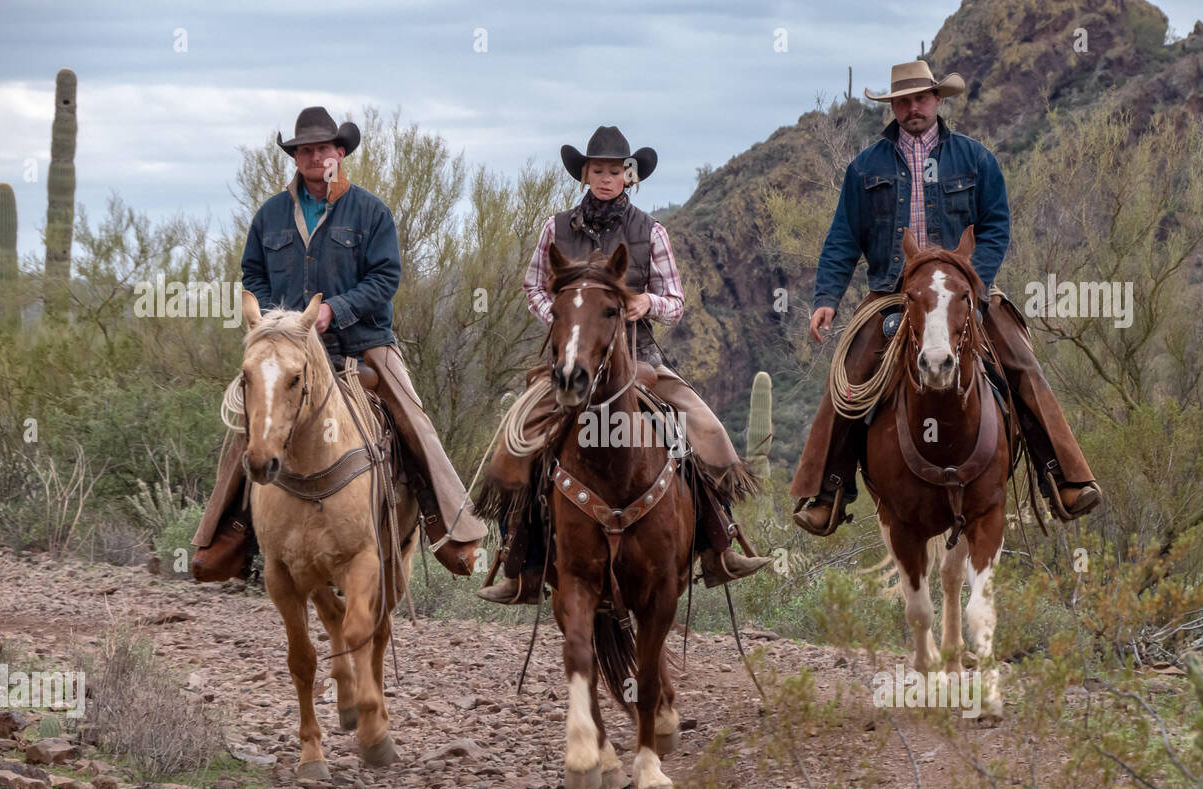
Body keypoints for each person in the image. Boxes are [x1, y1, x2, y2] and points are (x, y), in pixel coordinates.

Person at [791, 61, 1102, 536]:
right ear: (892, 107)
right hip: (892, 294)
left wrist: (972, 284)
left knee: (1019, 361)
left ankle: (1062, 474)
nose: (912, 108)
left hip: (963, 290)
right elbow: (842, 239)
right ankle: (829, 490)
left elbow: (996, 227)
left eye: (921, 98)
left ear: (938, 100)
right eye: (903, 101)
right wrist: (826, 297)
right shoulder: (865, 167)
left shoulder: (976, 160)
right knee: (850, 376)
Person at [476, 125, 771, 604]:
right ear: (585, 174)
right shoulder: (556, 228)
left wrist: (645, 303)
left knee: (704, 428)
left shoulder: (650, 231)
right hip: (572, 357)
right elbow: (534, 285)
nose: (606, 178)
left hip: (639, 358)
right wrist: (563, 315)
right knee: (519, 437)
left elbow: (675, 300)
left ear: (630, 177)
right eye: (598, 170)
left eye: (616, 171)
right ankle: (520, 563)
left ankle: (720, 546)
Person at [191, 106, 486, 582]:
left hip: (363, 342)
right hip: (289, 349)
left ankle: (446, 523)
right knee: (251, 419)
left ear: (340, 153)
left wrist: (334, 310)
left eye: (322, 148)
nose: (313, 156)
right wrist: (276, 324)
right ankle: (229, 532)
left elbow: (385, 276)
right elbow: (253, 274)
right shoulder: (269, 216)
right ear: (296, 157)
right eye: (304, 149)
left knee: (412, 418)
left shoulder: (370, 211)